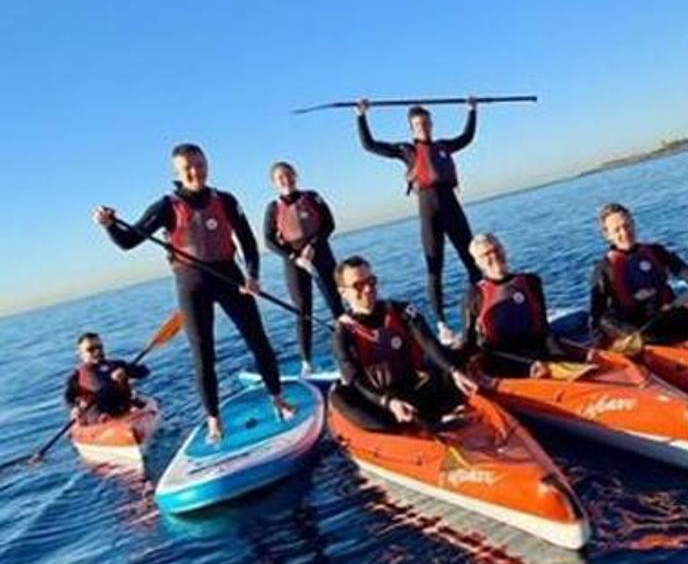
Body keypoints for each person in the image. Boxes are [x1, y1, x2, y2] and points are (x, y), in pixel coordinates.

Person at [93, 143, 294, 444]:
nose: (195, 172)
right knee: (203, 355)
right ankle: (214, 419)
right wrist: (109, 226)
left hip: (229, 275)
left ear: (207, 164)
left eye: (199, 165)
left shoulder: (225, 200)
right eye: (187, 168)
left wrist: (252, 276)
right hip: (191, 283)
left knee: (259, 341)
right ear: (177, 172)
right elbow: (129, 240)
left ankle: (278, 399)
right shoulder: (166, 206)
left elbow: (248, 242)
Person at [355, 98, 483, 345]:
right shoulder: (406, 151)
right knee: (435, 269)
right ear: (412, 128)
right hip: (429, 211)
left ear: (431, 124)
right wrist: (361, 116)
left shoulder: (444, 146)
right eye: (417, 124)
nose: (422, 126)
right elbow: (369, 145)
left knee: (473, 263)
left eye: (425, 122)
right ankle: (442, 325)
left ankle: (481, 311)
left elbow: (467, 137)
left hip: (452, 208)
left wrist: (472, 110)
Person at [331, 255, 480, 428]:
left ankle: (446, 406)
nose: (367, 289)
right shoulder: (342, 331)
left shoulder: (401, 310)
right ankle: (406, 425)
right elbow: (354, 379)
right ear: (342, 292)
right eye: (358, 285)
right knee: (339, 395)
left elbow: (429, 342)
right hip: (383, 401)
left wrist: (453, 371)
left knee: (457, 353)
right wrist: (389, 402)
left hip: (418, 388)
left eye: (371, 281)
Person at [589, 203, 688, 347]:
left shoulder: (655, 251)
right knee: (606, 319)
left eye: (627, 225)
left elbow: (684, 271)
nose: (625, 232)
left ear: (633, 224)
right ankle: (646, 344)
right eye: (617, 230)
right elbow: (596, 315)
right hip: (641, 328)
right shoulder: (603, 268)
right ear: (608, 235)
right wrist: (599, 348)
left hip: (668, 316)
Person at [460, 233, 582, 378]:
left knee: (572, 359)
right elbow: (469, 343)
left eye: (496, 249)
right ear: (478, 263)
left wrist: (560, 356)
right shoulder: (474, 295)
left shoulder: (531, 282)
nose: (494, 256)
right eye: (486, 254)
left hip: (536, 350)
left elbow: (544, 329)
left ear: (504, 250)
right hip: (503, 360)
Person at [262, 161, 345, 375]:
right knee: (302, 311)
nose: (286, 180)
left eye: (288, 175)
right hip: (294, 263)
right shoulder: (273, 209)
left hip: (321, 256)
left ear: (295, 175)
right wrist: (293, 256)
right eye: (280, 177)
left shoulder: (312, 197)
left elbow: (329, 224)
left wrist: (312, 246)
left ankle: (349, 350)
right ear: (274, 183)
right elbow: (269, 240)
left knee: (336, 304)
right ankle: (306, 363)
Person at [64, 332, 149, 425]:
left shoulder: (116, 364)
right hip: (99, 418)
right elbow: (68, 397)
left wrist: (127, 371)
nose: (97, 351)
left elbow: (144, 371)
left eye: (99, 347)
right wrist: (74, 408)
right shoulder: (76, 376)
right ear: (81, 354)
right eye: (91, 349)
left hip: (126, 409)